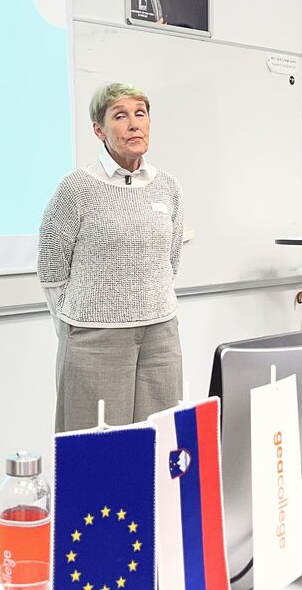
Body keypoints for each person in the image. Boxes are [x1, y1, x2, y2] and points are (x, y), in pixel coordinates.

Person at [37, 82, 185, 432]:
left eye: (140, 114)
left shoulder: (168, 187)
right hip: (94, 339)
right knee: (97, 449)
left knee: (159, 442)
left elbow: (171, 259)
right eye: (120, 116)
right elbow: (52, 267)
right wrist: (78, 322)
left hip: (161, 335)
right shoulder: (76, 188)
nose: (134, 124)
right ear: (99, 130)